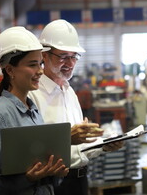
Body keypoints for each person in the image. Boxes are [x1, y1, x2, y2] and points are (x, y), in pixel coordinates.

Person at [29, 19, 124, 195]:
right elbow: (29, 148)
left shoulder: (69, 91)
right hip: (52, 184)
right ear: (45, 55)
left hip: (79, 180)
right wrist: (65, 137)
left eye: (74, 56)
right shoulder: (32, 94)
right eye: (64, 56)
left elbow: (78, 147)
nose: (71, 63)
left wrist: (103, 144)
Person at [0, 27, 69, 195]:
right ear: (10, 70)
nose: (40, 71)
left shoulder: (33, 111)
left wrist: (54, 173)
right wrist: (26, 179)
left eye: (40, 64)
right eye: (32, 65)